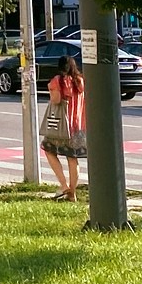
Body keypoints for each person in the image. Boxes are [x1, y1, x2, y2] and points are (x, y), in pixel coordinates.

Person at [42, 51, 88, 201]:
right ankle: (72, 194)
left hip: (61, 126)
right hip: (78, 126)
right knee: (72, 158)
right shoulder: (80, 81)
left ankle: (63, 185)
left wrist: (51, 89)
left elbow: (56, 101)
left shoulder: (58, 81)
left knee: (48, 150)